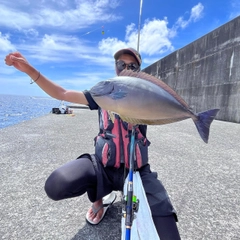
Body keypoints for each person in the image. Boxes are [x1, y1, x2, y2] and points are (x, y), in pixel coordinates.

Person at [5, 48, 181, 239]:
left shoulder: (146, 96)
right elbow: (61, 92)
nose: (125, 68)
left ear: (138, 70)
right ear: (116, 67)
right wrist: (30, 70)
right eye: (121, 64)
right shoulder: (104, 92)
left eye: (132, 66)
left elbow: (164, 108)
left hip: (135, 172)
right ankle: (100, 199)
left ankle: (130, 198)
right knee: (56, 185)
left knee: (168, 234)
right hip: (103, 167)